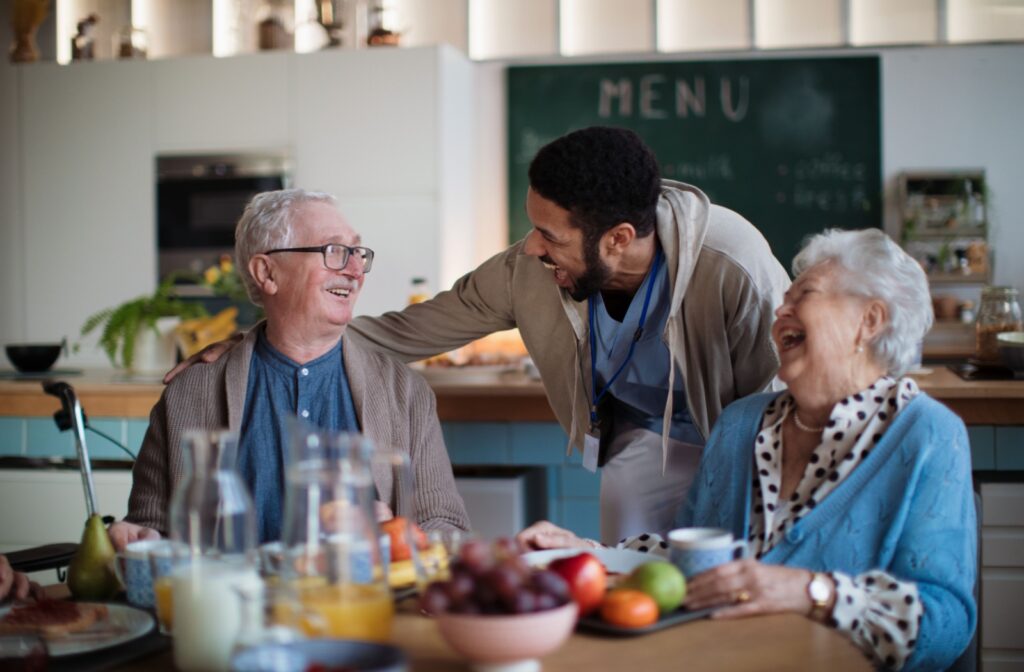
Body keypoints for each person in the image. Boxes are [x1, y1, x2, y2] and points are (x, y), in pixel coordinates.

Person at [166, 127, 791, 545]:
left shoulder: (733, 265)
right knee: (629, 583)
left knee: (727, 578)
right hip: (642, 445)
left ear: (618, 239)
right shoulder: (529, 268)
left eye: (552, 236)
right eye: (534, 228)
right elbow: (415, 328)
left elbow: (786, 393)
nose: (533, 249)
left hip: (739, 439)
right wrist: (264, 339)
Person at [518, 229, 976, 671]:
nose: (781, 310)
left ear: (869, 321)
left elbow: (946, 625)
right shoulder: (742, 422)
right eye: (785, 298)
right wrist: (588, 556)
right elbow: (693, 563)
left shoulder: (927, 434)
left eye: (804, 296)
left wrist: (812, 593)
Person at [109, 189, 469, 550]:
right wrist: (141, 539)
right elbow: (152, 528)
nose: (356, 270)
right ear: (267, 272)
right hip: (234, 604)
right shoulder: (189, 393)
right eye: (333, 251)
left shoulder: (405, 392)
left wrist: (391, 534)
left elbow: (446, 529)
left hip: (361, 604)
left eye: (357, 252)